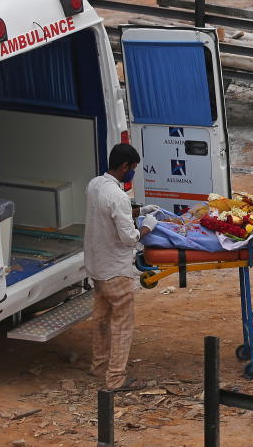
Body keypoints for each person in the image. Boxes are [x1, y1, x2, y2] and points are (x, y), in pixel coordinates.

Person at [85, 143, 158, 391]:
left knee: (101, 319)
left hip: (97, 267)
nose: (132, 173)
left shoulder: (95, 185)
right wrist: (148, 225)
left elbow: (110, 213)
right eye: (133, 168)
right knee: (122, 325)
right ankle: (116, 377)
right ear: (125, 166)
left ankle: (99, 366)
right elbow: (129, 238)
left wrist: (137, 210)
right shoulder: (117, 196)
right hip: (116, 270)